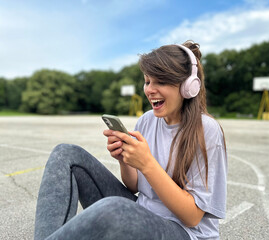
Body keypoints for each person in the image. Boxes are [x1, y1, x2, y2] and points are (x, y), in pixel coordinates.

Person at [34, 40, 227, 240]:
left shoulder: (206, 130)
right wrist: (124, 159)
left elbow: (192, 216)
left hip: (185, 233)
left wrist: (146, 164)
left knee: (114, 210)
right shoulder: (146, 120)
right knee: (66, 154)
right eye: (147, 81)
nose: (150, 90)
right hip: (142, 215)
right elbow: (134, 186)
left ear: (189, 86)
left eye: (160, 82)